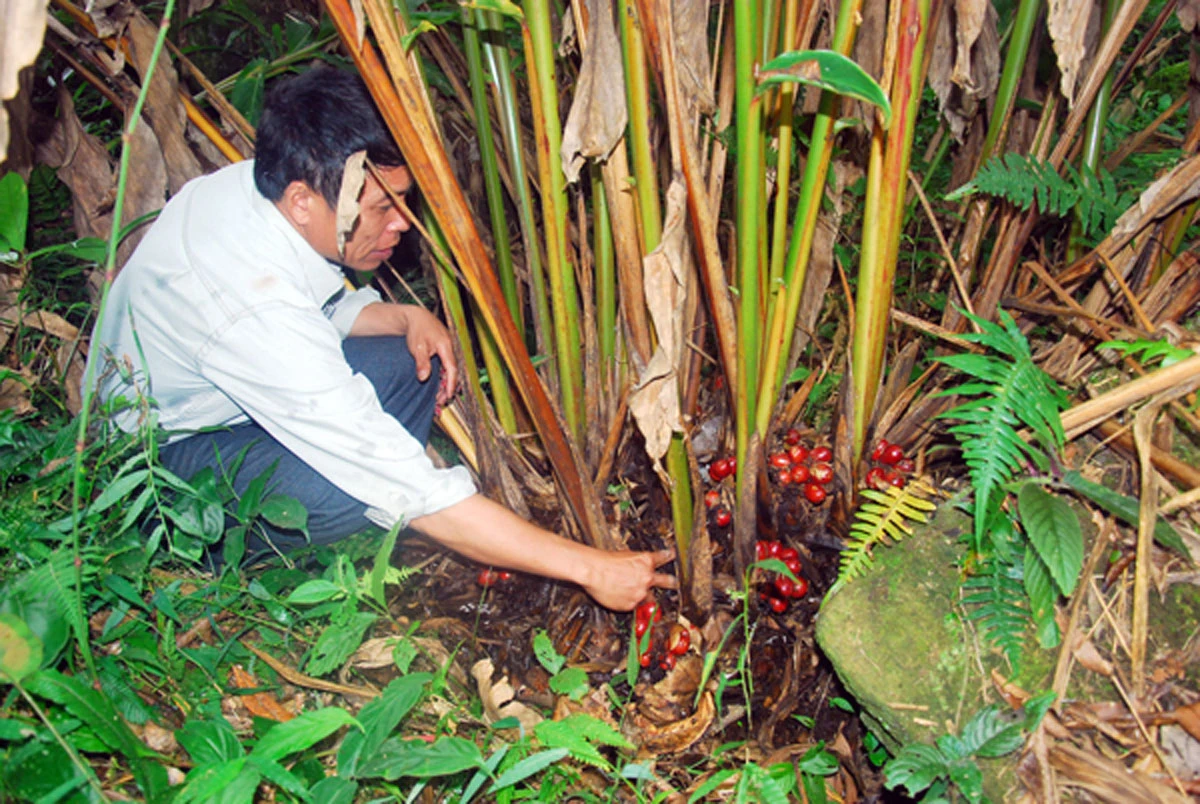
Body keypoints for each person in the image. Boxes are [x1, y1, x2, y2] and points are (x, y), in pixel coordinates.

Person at [88, 65, 675, 611]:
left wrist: (401, 316)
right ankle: (207, 553)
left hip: (225, 400)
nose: (402, 222)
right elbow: (408, 487)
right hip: (157, 467)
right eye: (381, 207)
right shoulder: (248, 304)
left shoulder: (257, 191)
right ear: (302, 201)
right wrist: (590, 568)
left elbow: (315, 304)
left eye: (404, 200)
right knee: (358, 488)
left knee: (410, 358)